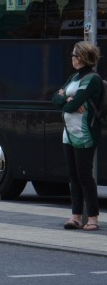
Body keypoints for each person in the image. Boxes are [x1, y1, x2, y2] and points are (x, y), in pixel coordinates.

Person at [53, 40, 103, 231]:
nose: (71, 58)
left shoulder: (92, 79)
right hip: (68, 132)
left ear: (81, 57)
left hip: (84, 133)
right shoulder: (74, 77)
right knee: (73, 176)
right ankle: (75, 217)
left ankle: (92, 219)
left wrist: (65, 100)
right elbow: (54, 99)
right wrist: (66, 98)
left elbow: (74, 105)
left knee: (85, 176)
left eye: (74, 55)